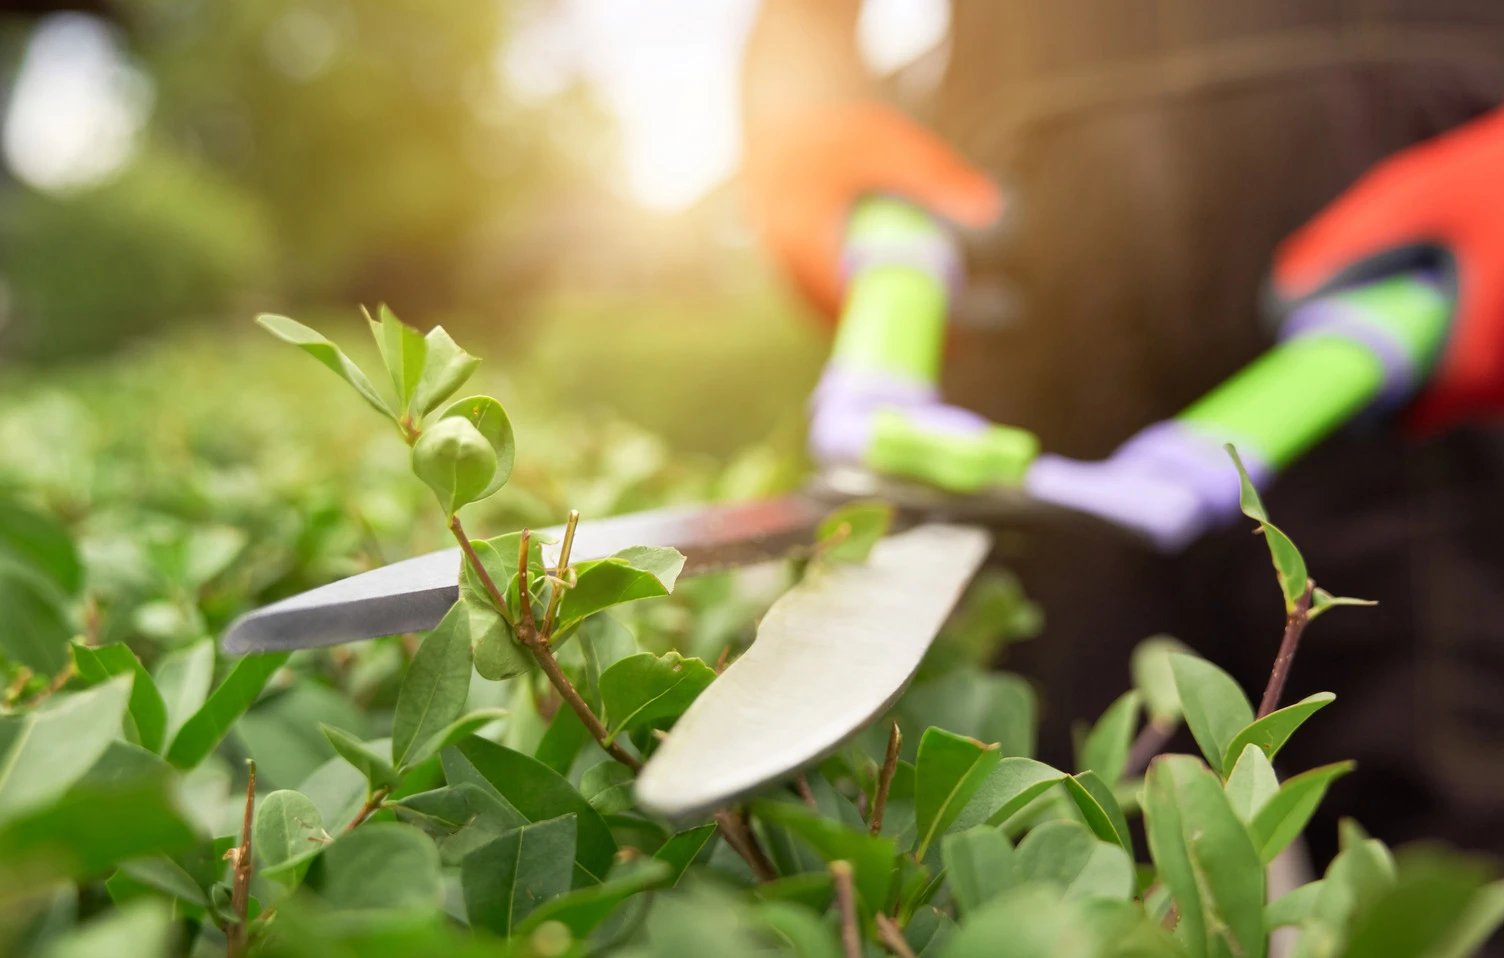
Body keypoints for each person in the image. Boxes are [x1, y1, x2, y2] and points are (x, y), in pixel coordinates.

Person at [741, 0, 1504, 883]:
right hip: (1036, 250)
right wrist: (805, 107)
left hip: (1423, 191)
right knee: (1028, 858)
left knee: (1458, 885)